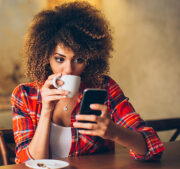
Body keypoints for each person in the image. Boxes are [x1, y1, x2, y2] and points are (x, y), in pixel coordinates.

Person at [11, 1, 164, 164]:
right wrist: (46, 111)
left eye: (78, 59)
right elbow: (27, 163)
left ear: (90, 59)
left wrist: (114, 132)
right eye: (59, 59)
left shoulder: (103, 87)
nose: (68, 69)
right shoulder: (25, 95)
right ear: (45, 57)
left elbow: (153, 148)